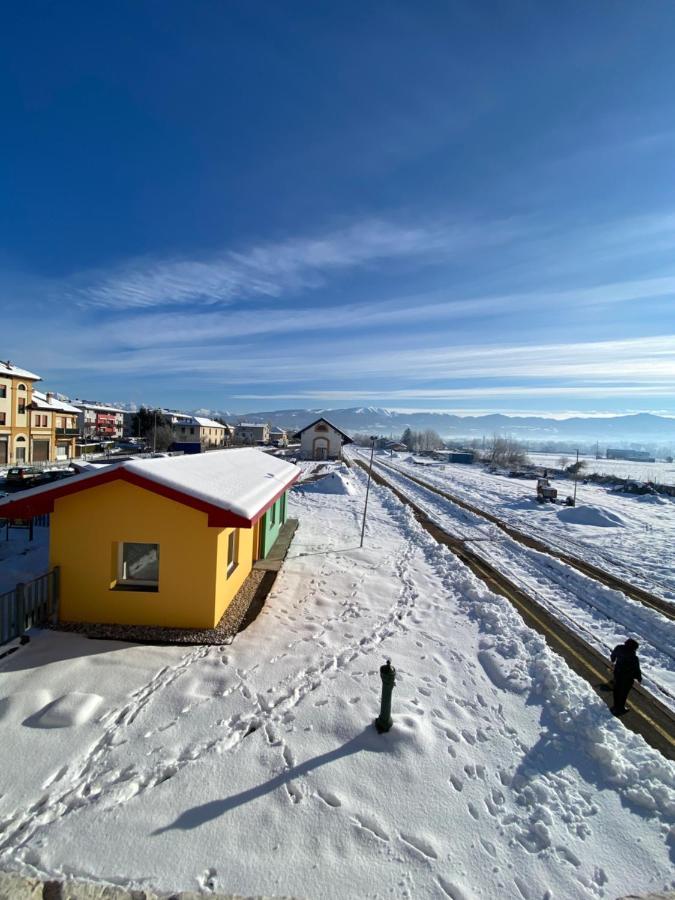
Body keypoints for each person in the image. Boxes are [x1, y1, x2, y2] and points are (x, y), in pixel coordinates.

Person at [610, 639, 642, 715]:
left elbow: (613, 657)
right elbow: (637, 670)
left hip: (617, 673)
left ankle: (615, 706)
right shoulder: (634, 658)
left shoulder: (619, 648)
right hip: (627, 678)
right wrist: (639, 678)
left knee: (616, 690)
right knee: (624, 693)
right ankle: (620, 708)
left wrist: (613, 660)